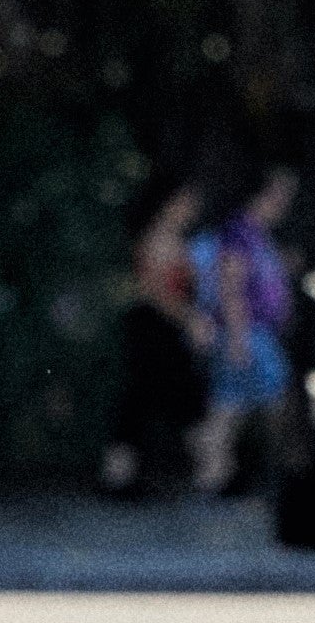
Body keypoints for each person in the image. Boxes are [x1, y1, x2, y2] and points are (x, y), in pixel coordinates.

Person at [192, 165, 300, 500]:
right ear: (263, 193)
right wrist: (238, 338)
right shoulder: (239, 231)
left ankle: (213, 477)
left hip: (253, 333)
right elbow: (231, 285)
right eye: (281, 194)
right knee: (277, 403)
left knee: (229, 406)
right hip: (248, 333)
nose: (286, 203)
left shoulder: (257, 233)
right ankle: (285, 477)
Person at [102, 181, 207, 495]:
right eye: (185, 202)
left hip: (164, 328)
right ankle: (119, 477)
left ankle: (121, 476)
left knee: (162, 401)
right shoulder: (158, 237)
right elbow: (155, 291)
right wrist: (189, 319)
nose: (191, 209)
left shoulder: (176, 238)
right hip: (153, 328)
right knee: (152, 400)